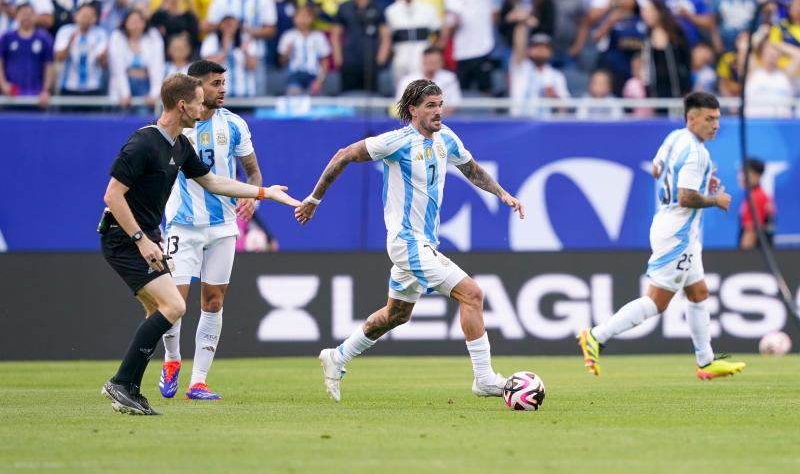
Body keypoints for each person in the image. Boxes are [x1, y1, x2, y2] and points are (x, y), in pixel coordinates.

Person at [295, 79, 525, 402]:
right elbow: (344, 154)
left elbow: (472, 170)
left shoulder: (446, 138)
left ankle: (337, 356)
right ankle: (484, 378)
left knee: (396, 315)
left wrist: (503, 194)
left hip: (425, 242)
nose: (438, 112)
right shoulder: (397, 142)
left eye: (440, 104)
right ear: (413, 110)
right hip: (406, 242)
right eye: (430, 106)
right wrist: (314, 200)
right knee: (472, 294)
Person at [99, 73, 300, 415]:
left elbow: (213, 182)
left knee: (157, 311)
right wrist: (141, 240)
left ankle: (127, 386)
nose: (202, 105)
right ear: (182, 105)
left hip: (143, 237)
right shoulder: (144, 142)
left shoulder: (179, 144)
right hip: (123, 238)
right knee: (174, 308)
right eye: (197, 100)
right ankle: (122, 383)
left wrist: (265, 192)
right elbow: (112, 195)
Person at [578, 92, 746, 381]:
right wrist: (715, 200)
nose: (715, 125)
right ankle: (596, 335)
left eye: (718, 119)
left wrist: (701, 180)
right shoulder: (696, 153)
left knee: (699, 292)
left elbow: (657, 170)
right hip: (678, 232)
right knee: (657, 301)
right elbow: (685, 197)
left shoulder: (674, 138)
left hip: (673, 227)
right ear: (691, 118)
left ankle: (705, 362)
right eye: (709, 119)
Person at [155, 60, 265, 401]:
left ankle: (198, 381)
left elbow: (253, 172)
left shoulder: (234, 124)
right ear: (197, 86)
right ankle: (172, 360)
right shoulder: (179, 126)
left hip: (222, 227)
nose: (223, 89)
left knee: (214, 301)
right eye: (216, 83)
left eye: (224, 83)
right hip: (182, 226)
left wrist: (255, 198)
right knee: (174, 303)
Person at [0, 2, 54, 107]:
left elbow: (49, 66)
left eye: (30, 14)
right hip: (11, 94)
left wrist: (45, 90)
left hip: (36, 96)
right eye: (23, 14)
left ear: (35, 17)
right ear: (17, 16)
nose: (27, 17)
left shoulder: (44, 38)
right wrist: (3, 84)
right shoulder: (6, 38)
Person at [394, 46, 462, 115]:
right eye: (429, 61)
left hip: (444, 119)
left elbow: (454, 104)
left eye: (435, 61)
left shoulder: (450, 79)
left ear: (441, 62)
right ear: (423, 60)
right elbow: (401, 106)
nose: (431, 64)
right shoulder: (407, 80)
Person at [739, 158, 776, 250]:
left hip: (755, 257)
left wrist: (741, 260)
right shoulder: (762, 195)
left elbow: (750, 232)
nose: (741, 176)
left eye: (746, 173)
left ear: (758, 175)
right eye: (741, 172)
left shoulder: (756, 198)